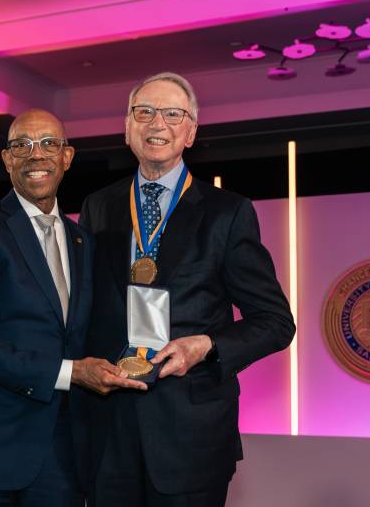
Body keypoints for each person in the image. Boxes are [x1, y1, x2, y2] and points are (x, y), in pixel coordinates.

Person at [79, 73, 296, 506]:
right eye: (144, 112)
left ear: (191, 132)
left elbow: (275, 322)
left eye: (173, 114)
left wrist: (207, 346)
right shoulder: (97, 206)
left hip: (191, 434)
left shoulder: (227, 213)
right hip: (108, 430)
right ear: (127, 127)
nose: (157, 124)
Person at [0, 109, 145, 507]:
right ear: (7, 160)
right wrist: (72, 373)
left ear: (67, 157)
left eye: (48, 144)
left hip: (60, 459)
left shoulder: (83, 242)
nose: (36, 155)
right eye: (22, 145)